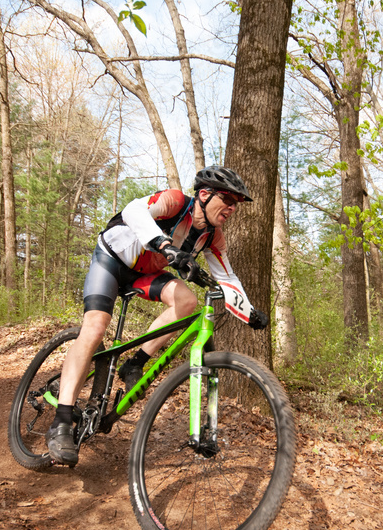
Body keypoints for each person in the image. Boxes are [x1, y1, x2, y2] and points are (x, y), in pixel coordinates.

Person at [46, 166, 269, 465]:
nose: (231, 208)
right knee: (96, 326)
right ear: (204, 194)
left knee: (187, 301)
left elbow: (227, 277)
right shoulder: (176, 202)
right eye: (227, 199)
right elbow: (134, 211)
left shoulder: (213, 237)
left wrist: (248, 311)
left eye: (235, 204)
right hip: (111, 260)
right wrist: (165, 245)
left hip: (144, 273)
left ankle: (135, 363)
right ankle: (60, 422)